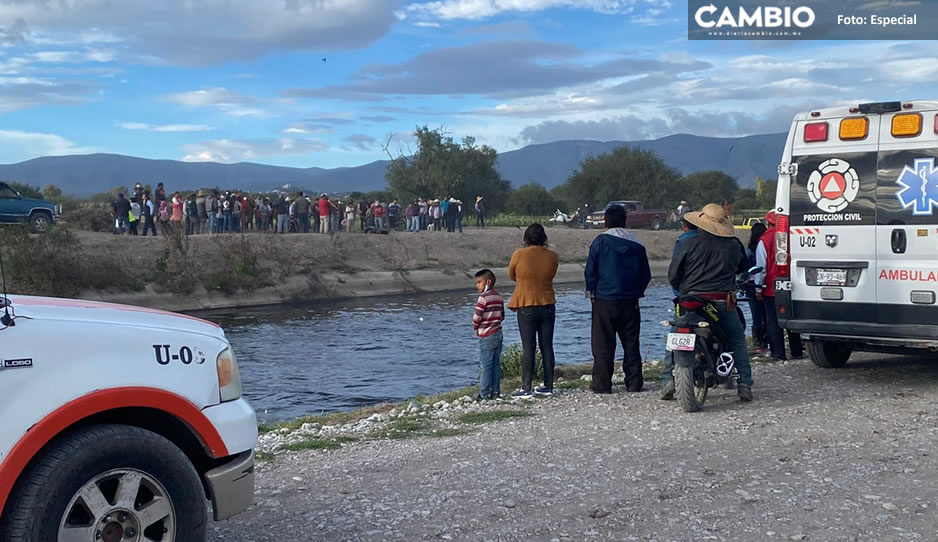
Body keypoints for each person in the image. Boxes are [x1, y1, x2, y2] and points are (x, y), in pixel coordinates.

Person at [664, 203, 753, 402]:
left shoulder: (687, 243)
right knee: (737, 338)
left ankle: (667, 381)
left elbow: (673, 275)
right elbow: (743, 267)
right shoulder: (734, 244)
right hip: (721, 301)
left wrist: (684, 290)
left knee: (674, 335)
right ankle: (745, 383)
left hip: (690, 301)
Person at [585, 205, 651, 394]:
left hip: (604, 300)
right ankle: (634, 382)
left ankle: (602, 384)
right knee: (631, 343)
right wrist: (637, 291)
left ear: (606, 221)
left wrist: (592, 292)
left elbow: (590, 271)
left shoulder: (599, 242)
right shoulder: (637, 243)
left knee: (603, 344)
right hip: (630, 300)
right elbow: (645, 274)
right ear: (625, 220)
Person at [508, 223, 559, 397]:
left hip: (526, 303)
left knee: (528, 347)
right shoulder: (553, 256)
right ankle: (548, 385)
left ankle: (526, 387)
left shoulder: (518, 254)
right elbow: (552, 274)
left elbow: (511, 275)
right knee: (547, 346)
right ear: (544, 238)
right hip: (547, 304)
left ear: (526, 239)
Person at [755, 212, 803, 361]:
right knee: (792, 320)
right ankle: (797, 351)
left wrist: (758, 288)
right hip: (793, 285)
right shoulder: (793, 237)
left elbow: (760, 267)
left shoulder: (764, 240)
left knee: (774, 322)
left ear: (768, 224)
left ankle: (778, 353)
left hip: (771, 287)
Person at [472, 269, 505, 400]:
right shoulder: (499, 296)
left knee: (485, 365)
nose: (477, 285)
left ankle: (484, 393)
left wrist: (476, 327)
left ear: (488, 282)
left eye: (479, 282)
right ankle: (496, 391)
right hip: (498, 333)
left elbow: (476, 317)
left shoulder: (483, 298)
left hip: (486, 335)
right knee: (496, 364)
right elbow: (502, 316)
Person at [745, 222, 769, 351]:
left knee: (756, 315)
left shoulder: (749, 250)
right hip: (765, 283)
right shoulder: (764, 246)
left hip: (752, 284)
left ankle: (758, 342)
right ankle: (767, 339)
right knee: (766, 314)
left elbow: (745, 269)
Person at [670, 219, 699, 297]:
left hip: (689, 290)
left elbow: (675, 270)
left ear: (684, 226)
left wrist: (678, 293)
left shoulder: (682, 241)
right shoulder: (707, 239)